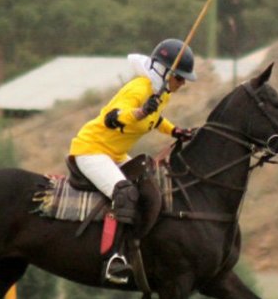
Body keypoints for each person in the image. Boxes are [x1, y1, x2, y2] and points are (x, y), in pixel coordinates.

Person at [68, 38, 196, 284]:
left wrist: (175, 131)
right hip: (91, 150)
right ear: (164, 71)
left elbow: (155, 120)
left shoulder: (162, 94)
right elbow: (112, 118)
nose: (183, 83)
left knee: (150, 189)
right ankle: (114, 258)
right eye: (180, 78)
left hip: (114, 155)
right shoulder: (138, 89)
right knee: (125, 193)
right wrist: (140, 111)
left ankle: (143, 250)